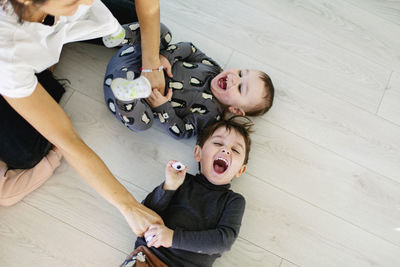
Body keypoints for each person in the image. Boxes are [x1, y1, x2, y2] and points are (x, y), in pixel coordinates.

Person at [0, 0, 165, 236]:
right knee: (26, 152)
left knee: (143, 27)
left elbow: (148, 7)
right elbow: (69, 141)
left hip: (40, 30)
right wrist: (128, 205)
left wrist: (151, 65)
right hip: (14, 63)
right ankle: (42, 70)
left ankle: (52, 46)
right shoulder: (8, 54)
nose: (88, 1)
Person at [120, 115, 253, 267]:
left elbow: (223, 241)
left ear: (240, 170)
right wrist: (169, 186)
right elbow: (144, 213)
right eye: (218, 143)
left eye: (235, 150)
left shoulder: (233, 201)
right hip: (149, 256)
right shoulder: (180, 180)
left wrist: (173, 238)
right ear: (198, 153)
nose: (226, 150)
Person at [104, 23, 275, 139]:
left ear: (236, 110)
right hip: (133, 58)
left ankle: (128, 96)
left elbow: (182, 130)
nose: (233, 78)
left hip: (121, 92)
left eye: (240, 88)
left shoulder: (210, 116)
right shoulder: (213, 68)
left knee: (143, 124)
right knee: (163, 32)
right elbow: (190, 48)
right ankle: (121, 35)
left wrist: (162, 107)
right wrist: (166, 57)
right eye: (240, 73)